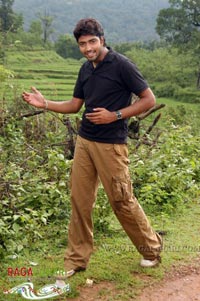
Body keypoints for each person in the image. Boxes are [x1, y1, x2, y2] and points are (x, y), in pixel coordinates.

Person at [22, 18, 162, 278]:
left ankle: (151, 249)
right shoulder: (86, 69)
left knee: (121, 200)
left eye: (92, 42)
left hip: (111, 145)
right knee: (80, 200)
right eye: (82, 44)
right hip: (85, 142)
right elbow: (76, 105)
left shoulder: (121, 65)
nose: (88, 48)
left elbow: (149, 99)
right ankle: (77, 260)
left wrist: (116, 115)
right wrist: (45, 103)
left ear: (102, 39)